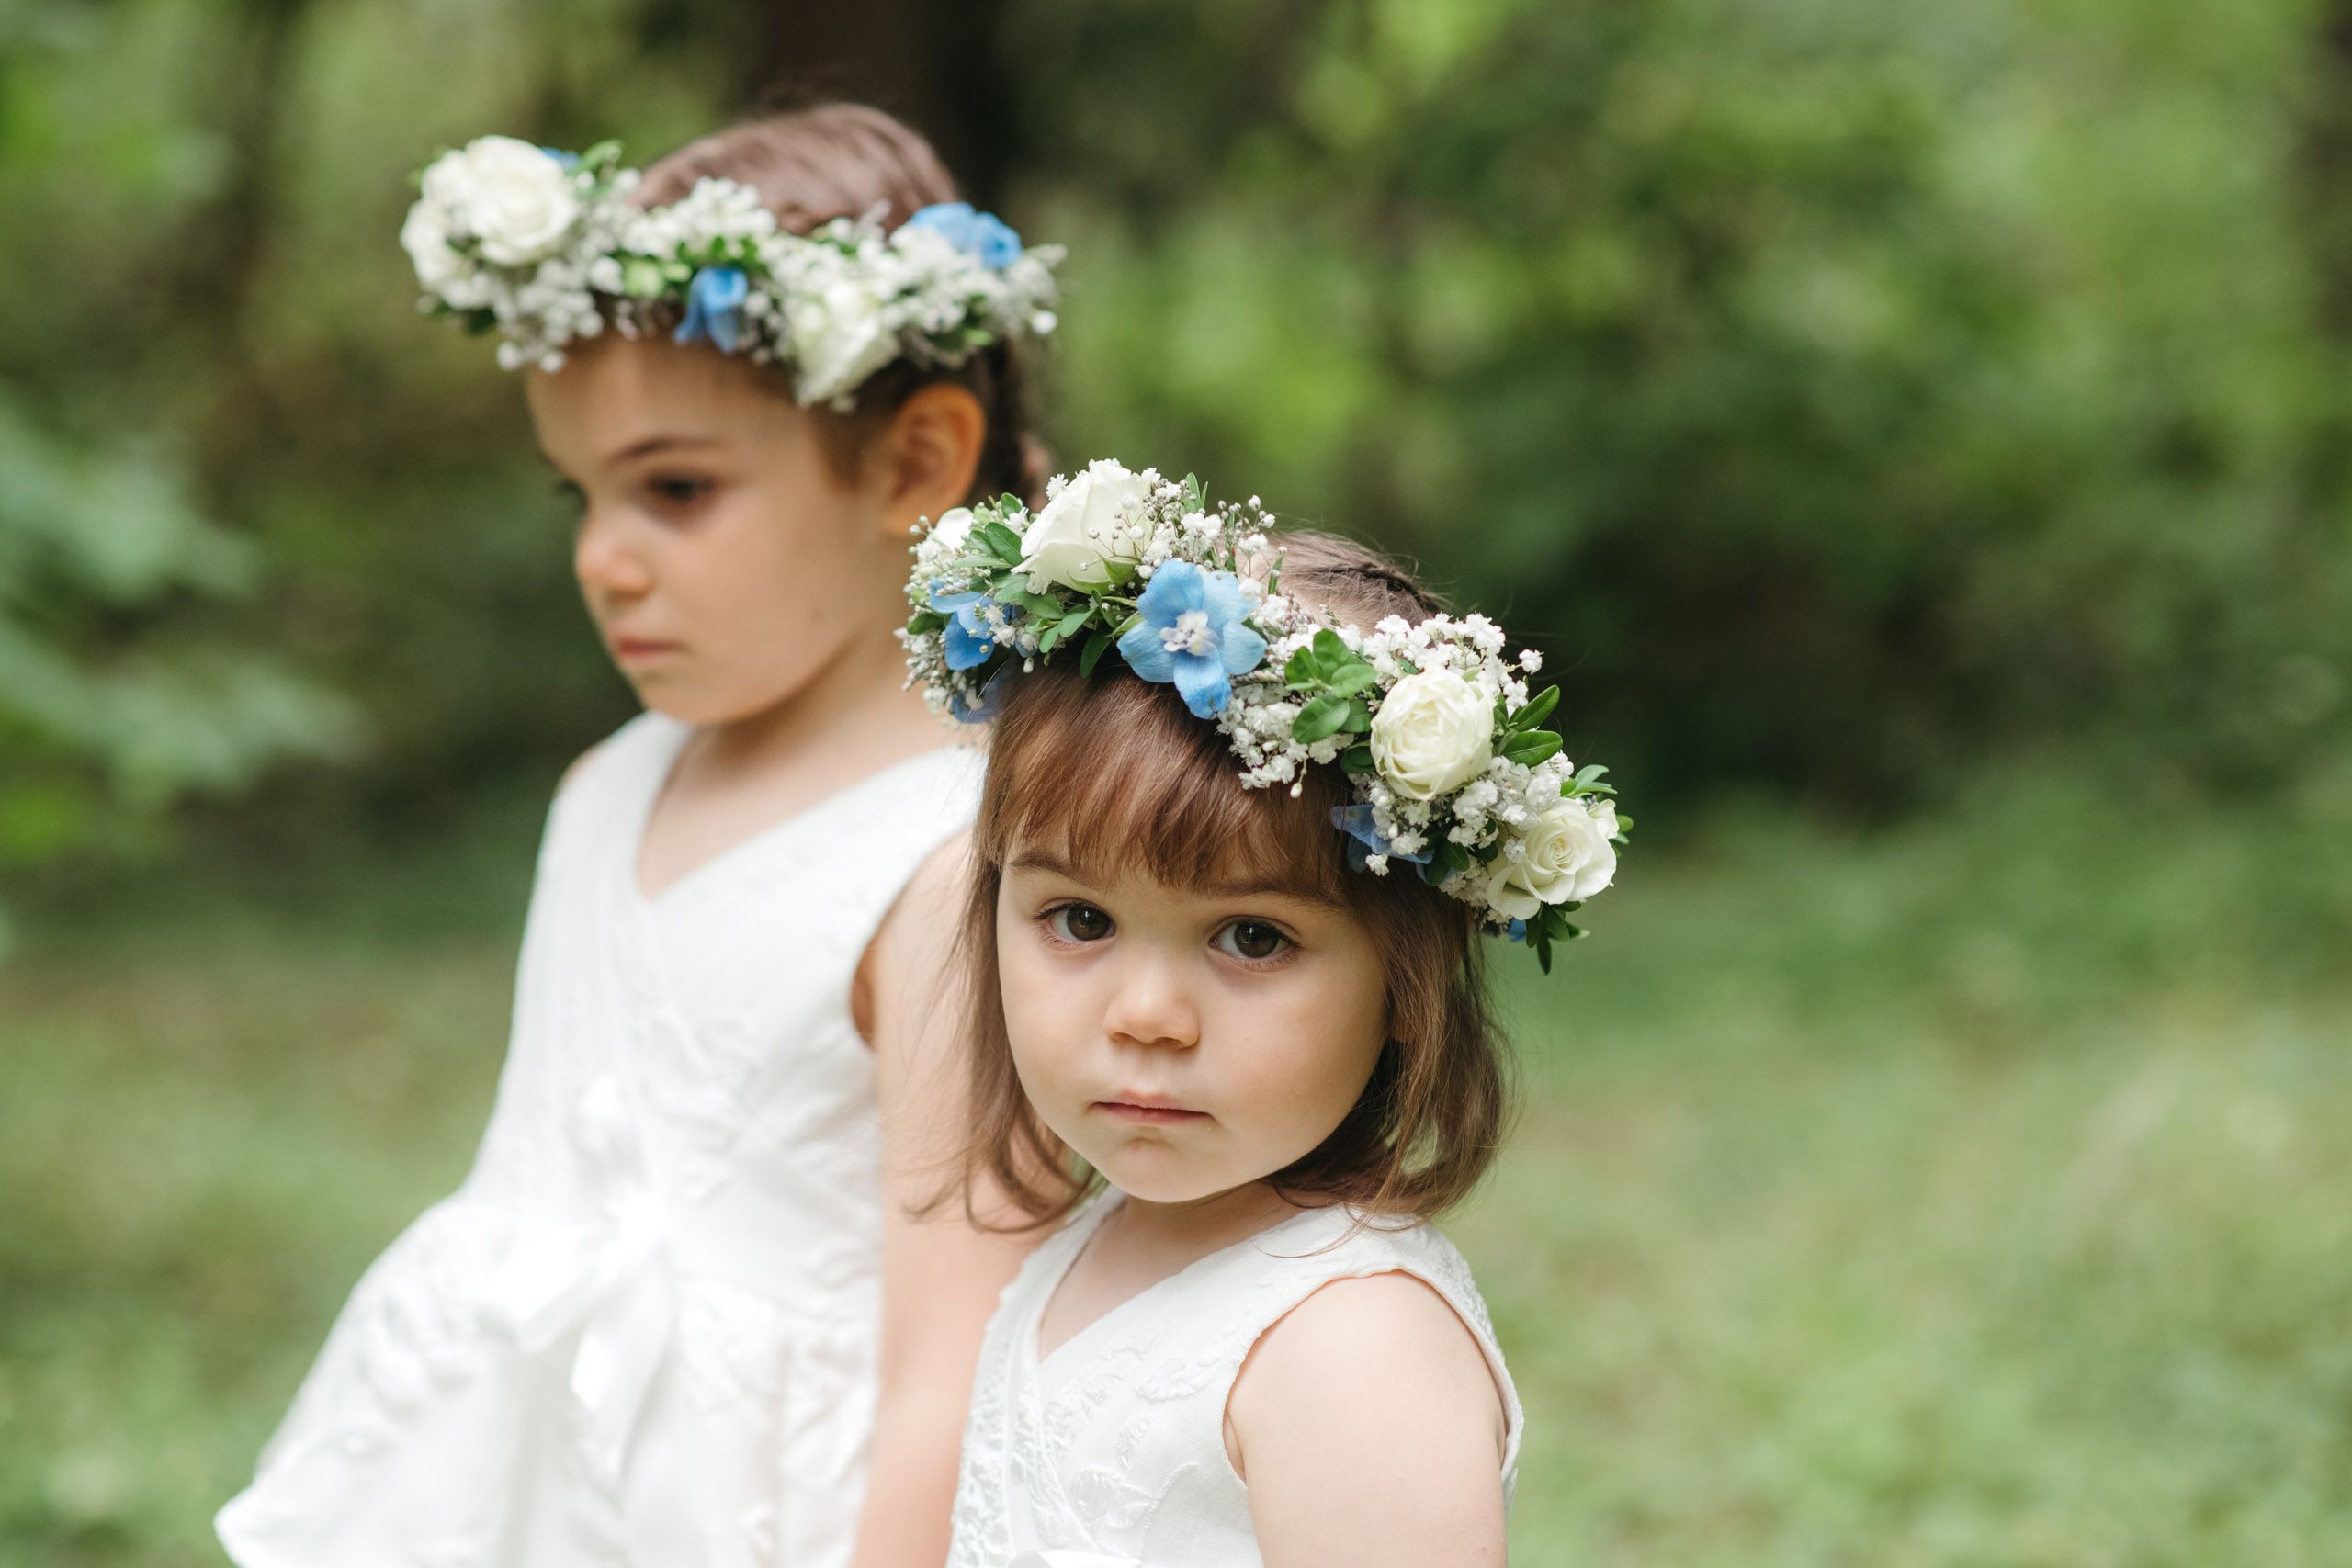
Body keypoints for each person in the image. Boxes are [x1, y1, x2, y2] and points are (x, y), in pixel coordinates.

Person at [217, 104, 1061, 1568]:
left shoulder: (956, 861)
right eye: (583, 492)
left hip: (773, 1507)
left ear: (914, 461)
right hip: (513, 1482)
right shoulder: (610, 783)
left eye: (676, 488)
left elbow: (958, 1362)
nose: (602, 556)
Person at [898, 463, 1628, 1564]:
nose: (1146, 1015)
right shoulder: (1096, 1238)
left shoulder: (1351, 1349)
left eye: (1252, 937)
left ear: (1403, 982)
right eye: (1079, 920)